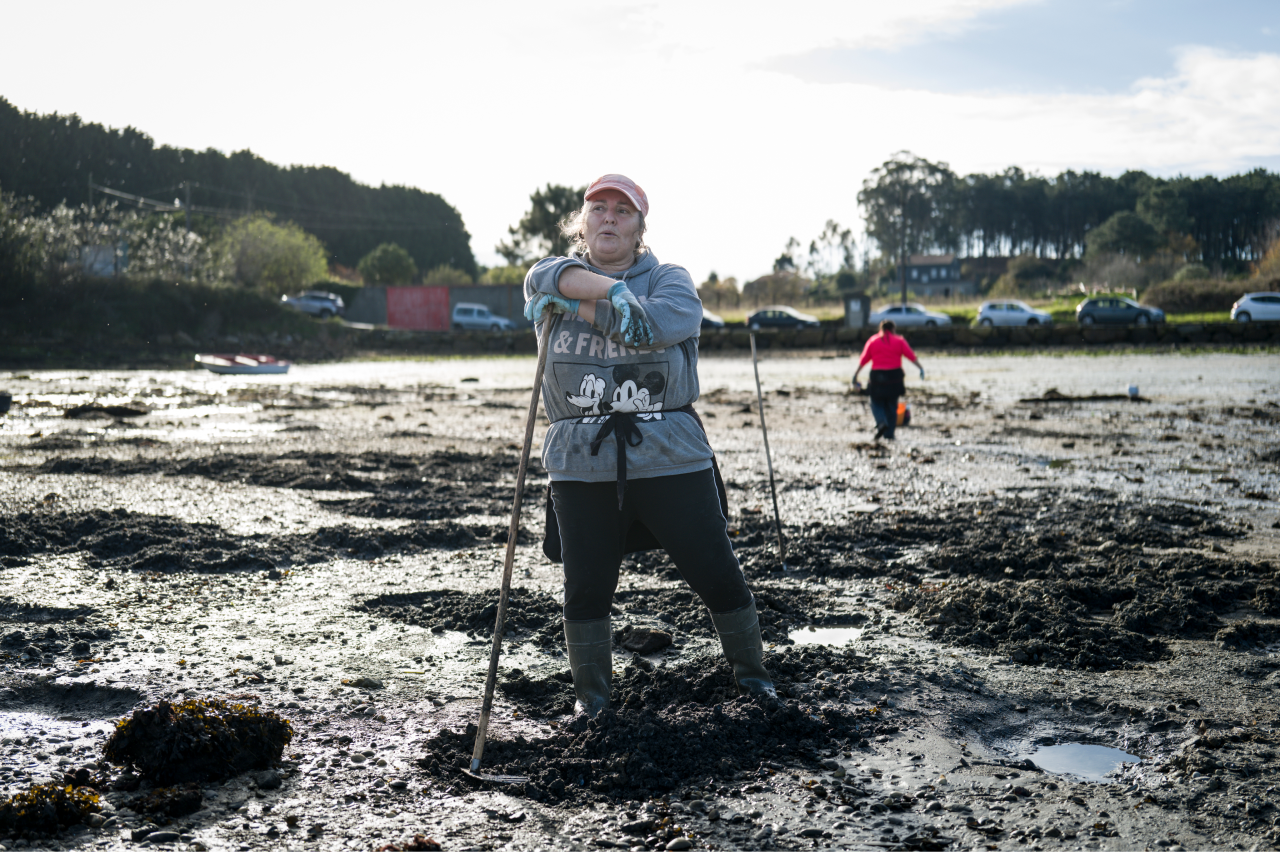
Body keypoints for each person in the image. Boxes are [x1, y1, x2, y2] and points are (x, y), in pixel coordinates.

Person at [522, 173, 775, 716]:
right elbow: (544, 277)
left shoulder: (671, 280)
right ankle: (592, 703)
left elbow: (650, 327)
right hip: (579, 462)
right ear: (582, 223)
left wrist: (584, 303)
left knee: (715, 569)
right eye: (599, 209)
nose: (609, 218)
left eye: (623, 211)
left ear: (640, 228)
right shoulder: (548, 276)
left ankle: (754, 682)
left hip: (670, 453)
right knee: (586, 587)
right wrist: (605, 293)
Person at [851, 319, 924, 441]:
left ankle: (881, 422)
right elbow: (911, 356)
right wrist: (920, 368)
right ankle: (889, 434)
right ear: (893, 329)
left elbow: (863, 359)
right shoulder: (899, 341)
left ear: (881, 329)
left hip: (877, 378)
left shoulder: (873, 341)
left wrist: (855, 374)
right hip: (895, 378)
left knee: (876, 402)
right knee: (891, 406)